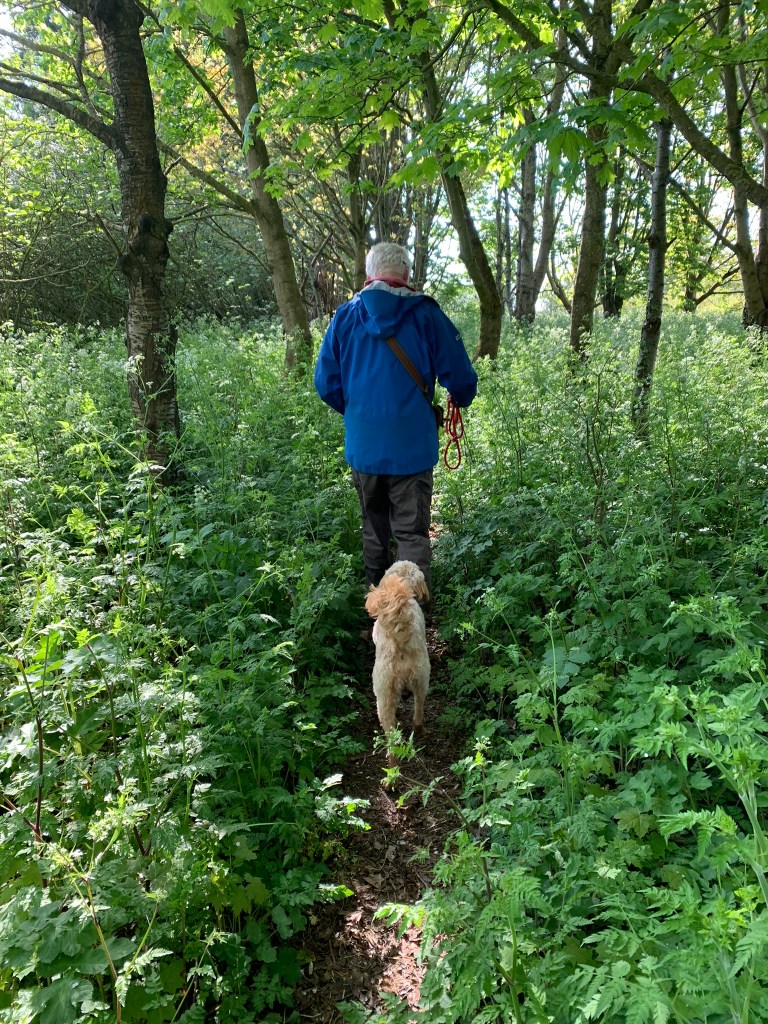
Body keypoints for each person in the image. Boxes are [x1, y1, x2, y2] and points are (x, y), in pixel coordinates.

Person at [314, 241, 478, 594]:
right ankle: (410, 614)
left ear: (370, 274)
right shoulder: (426, 314)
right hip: (411, 448)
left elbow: (325, 384)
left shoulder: (345, 316)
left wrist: (360, 413)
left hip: (365, 448)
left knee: (374, 530)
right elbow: (461, 377)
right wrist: (460, 396)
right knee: (411, 533)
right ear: (405, 272)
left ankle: (380, 614)